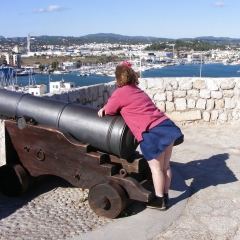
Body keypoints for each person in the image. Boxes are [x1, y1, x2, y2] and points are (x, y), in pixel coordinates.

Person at [98, 62, 184, 211]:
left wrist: (104, 109)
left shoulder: (120, 92)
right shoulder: (138, 90)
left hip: (151, 132)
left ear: (118, 79)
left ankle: (159, 201)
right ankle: (165, 196)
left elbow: (111, 110)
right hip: (165, 126)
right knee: (165, 167)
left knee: (156, 170)